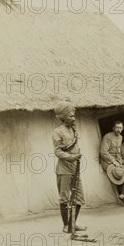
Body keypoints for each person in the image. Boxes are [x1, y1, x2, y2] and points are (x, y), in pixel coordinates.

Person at [52, 100, 87, 233]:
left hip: (75, 168)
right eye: (71, 116)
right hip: (64, 169)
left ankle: (73, 223)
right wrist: (72, 157)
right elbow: (57, 151)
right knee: (65, 198)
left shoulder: (74, 130)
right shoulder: (57, 132)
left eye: (73, 115)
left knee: (79, 197)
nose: (74, 118)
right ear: (63, 118)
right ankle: (66, 225)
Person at [100, 121, 124, 206]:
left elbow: (118, 152)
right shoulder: (107, 136)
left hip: (117, 162)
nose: (119, 130)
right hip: (107, 161)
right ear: (113, 128)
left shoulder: (121, 137)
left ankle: (123, 195)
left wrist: (120, 162)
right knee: (117, 175)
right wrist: (113, 161)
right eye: (117, 127)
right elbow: (103, 152)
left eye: (120, 128)